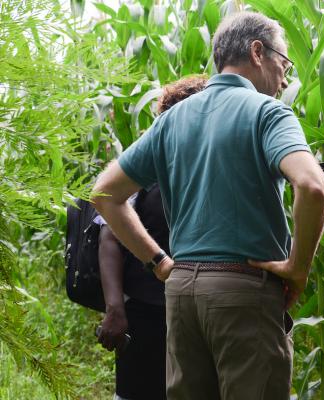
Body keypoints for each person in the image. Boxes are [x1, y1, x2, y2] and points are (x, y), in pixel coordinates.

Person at [92, 11, 324, 400]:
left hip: (182, 292)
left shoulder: (172, 120)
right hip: (244, 293)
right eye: (284, 63)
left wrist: (161, 263)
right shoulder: (267, 112)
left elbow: (104, 193)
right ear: (257, 52)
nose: (286, 78)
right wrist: (297, 268)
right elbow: (313, 186)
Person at [96, 75, 208, 400]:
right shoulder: (142, 165)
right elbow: (108, 234)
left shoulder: (205, 165)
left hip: (195, 310)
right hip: (147, 310)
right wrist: (115, 308)